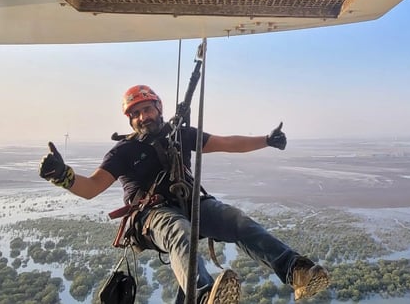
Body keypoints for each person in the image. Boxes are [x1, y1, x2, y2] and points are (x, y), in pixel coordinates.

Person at [39, 84, 330, 304]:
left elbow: (227, 143)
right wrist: (63, 176)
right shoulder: (123, 151)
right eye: (136, 114)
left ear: (158, 109)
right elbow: (91, 187)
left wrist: (266, 141)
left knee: (236, 220)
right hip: (152, 216)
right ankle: (204, 296)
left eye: (147, 109)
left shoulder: (179, 135)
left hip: (191, 203)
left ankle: (296, 271)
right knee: (180, 232)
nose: (143, 117)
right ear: (130, 121)